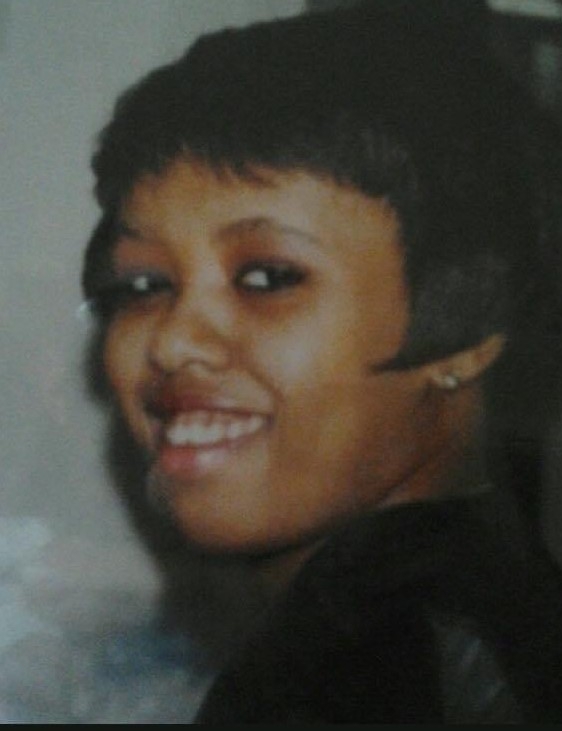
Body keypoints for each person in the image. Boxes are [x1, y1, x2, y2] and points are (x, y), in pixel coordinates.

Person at [81, 0, 562, 722]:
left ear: (470, 332)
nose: (173, 340)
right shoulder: (454, 617)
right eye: (144, 285)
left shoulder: (380, 667)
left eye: (268, 277)